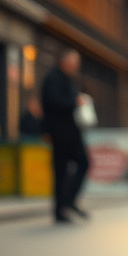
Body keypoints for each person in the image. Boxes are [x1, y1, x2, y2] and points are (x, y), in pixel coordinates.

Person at [42, 50, 90, 223]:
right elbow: (54, 102)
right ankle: (64, 206)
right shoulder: (53, 78)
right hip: (61, 133)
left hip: (69, 131)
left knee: (71, 167)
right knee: (66, 168)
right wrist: (74, 102)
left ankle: (65, 204)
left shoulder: (67, 79)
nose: (76, 66)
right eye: (73, 62)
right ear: (64, 62)